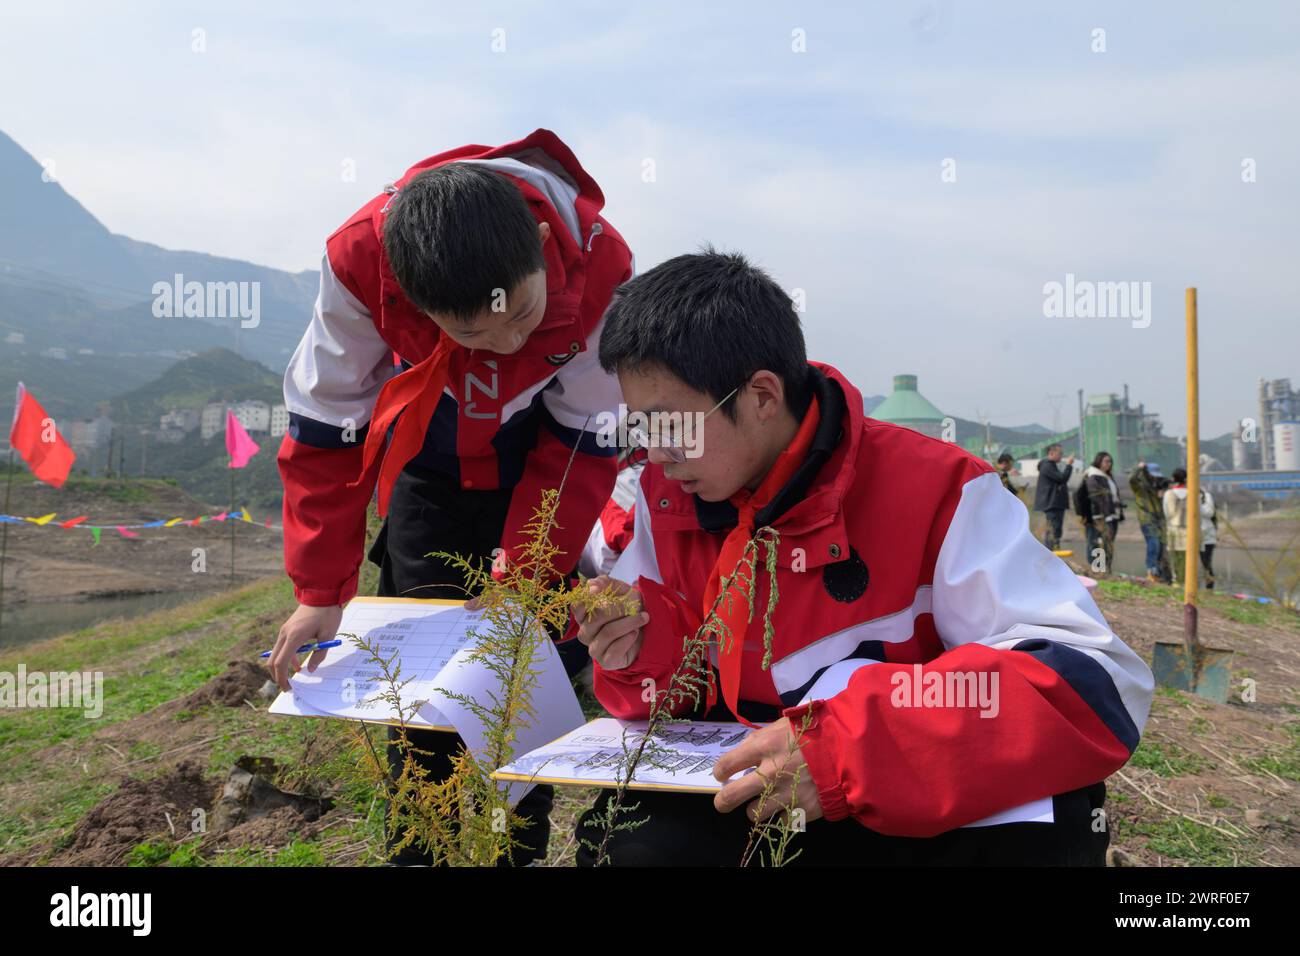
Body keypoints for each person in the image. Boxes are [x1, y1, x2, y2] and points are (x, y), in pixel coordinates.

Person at [571, 250, 1153, 866]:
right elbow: (682, 687)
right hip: (757, 787)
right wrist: (636, 649)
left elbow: (1094, 683)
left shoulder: (940, 490)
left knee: (1051, 832)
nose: (655, 456)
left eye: (668, 427)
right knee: (622, 845)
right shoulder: (666, 501)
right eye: (639, 430)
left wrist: (846, 750)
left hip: (903, 792)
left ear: (762, 396)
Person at [269, 130, 632, 865]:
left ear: (539, 244)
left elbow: (583, 441)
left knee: (521, 663)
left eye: (524, 317)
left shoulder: (601, 265)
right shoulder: (360, 260)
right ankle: (420, 847)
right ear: (407, 290)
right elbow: (326, 429)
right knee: (420, 670)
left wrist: (526, 576)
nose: (502, 343)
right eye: (471, 329)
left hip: (539, 463)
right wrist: (320, 588)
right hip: (428, 466)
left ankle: (517, 847)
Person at [1163, 468, 1215, 588]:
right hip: (1191, 531)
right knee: (1191, 561)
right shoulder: (1195, 494)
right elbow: (1198, 514)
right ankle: (1191, 586)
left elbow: (1167, 514)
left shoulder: (1168, 494)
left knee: (1177, 560)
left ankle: (1177, 583)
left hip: (1174, 531)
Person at [1083, 452, 1122, 576]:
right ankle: (1098, 571)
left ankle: (1106, 570)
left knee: (1108, 543)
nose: (1109, 464)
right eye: (1106, 461)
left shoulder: (1106, 476)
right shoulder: (1093, 475)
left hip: (1111, 515)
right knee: (1098, 543)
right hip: (1099, 516)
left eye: (1110, 461)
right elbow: (1097, 498)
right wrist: (1106, 513)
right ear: (1098, 461)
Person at [1128, 461, 1167, 582]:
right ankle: (1151, 569)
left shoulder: (1156, 486)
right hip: (1147, 519)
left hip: (1158, 520)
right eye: (1152, 475)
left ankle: (1158, 572)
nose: (1155, 477)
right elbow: (1131, 479)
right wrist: (1138, 468)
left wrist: (1161, 495)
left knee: (1161, 545)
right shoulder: (1139, 486)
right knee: (1153, 543)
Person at [1034, 443, 1074, 550]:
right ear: (1051, 453)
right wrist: (1069, 465)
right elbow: (1062, 478)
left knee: (1055, 529)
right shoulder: (1047, 465)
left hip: (1055, 503)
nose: (1061, 455)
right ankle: (1051, 551)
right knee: (1053, 529)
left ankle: (1053, 550)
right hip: (1052, 503)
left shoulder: (1050, 465)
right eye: (1059, 453)